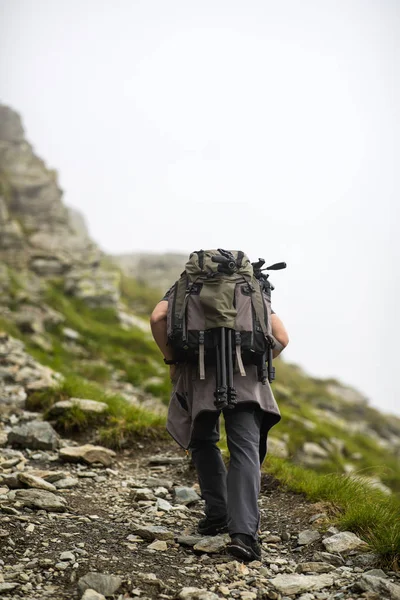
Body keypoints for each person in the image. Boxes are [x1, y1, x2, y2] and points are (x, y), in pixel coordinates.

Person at [150, 279, 289, 561]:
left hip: (198, 375)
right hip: (248, 377)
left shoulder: (185, 286)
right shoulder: (250, 288)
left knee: (202, 441)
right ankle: (244, 536)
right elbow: (282, 338)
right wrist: (258, 360)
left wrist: (172, 361)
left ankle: (217, 516)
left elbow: (158, 317)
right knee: (245, 450)